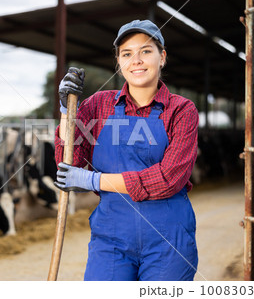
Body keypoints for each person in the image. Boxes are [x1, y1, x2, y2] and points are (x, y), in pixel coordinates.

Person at [54, 19, 199, 281]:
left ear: (162, 57)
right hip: (111, 240)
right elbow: (70, 159)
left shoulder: (181, 110)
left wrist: (94, 180)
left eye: (146, 51)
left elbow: (168, 178)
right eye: (127, 54)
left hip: (168, 242)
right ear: (119, 62)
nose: (137, 60)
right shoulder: (99, 105)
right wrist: (66, 112)